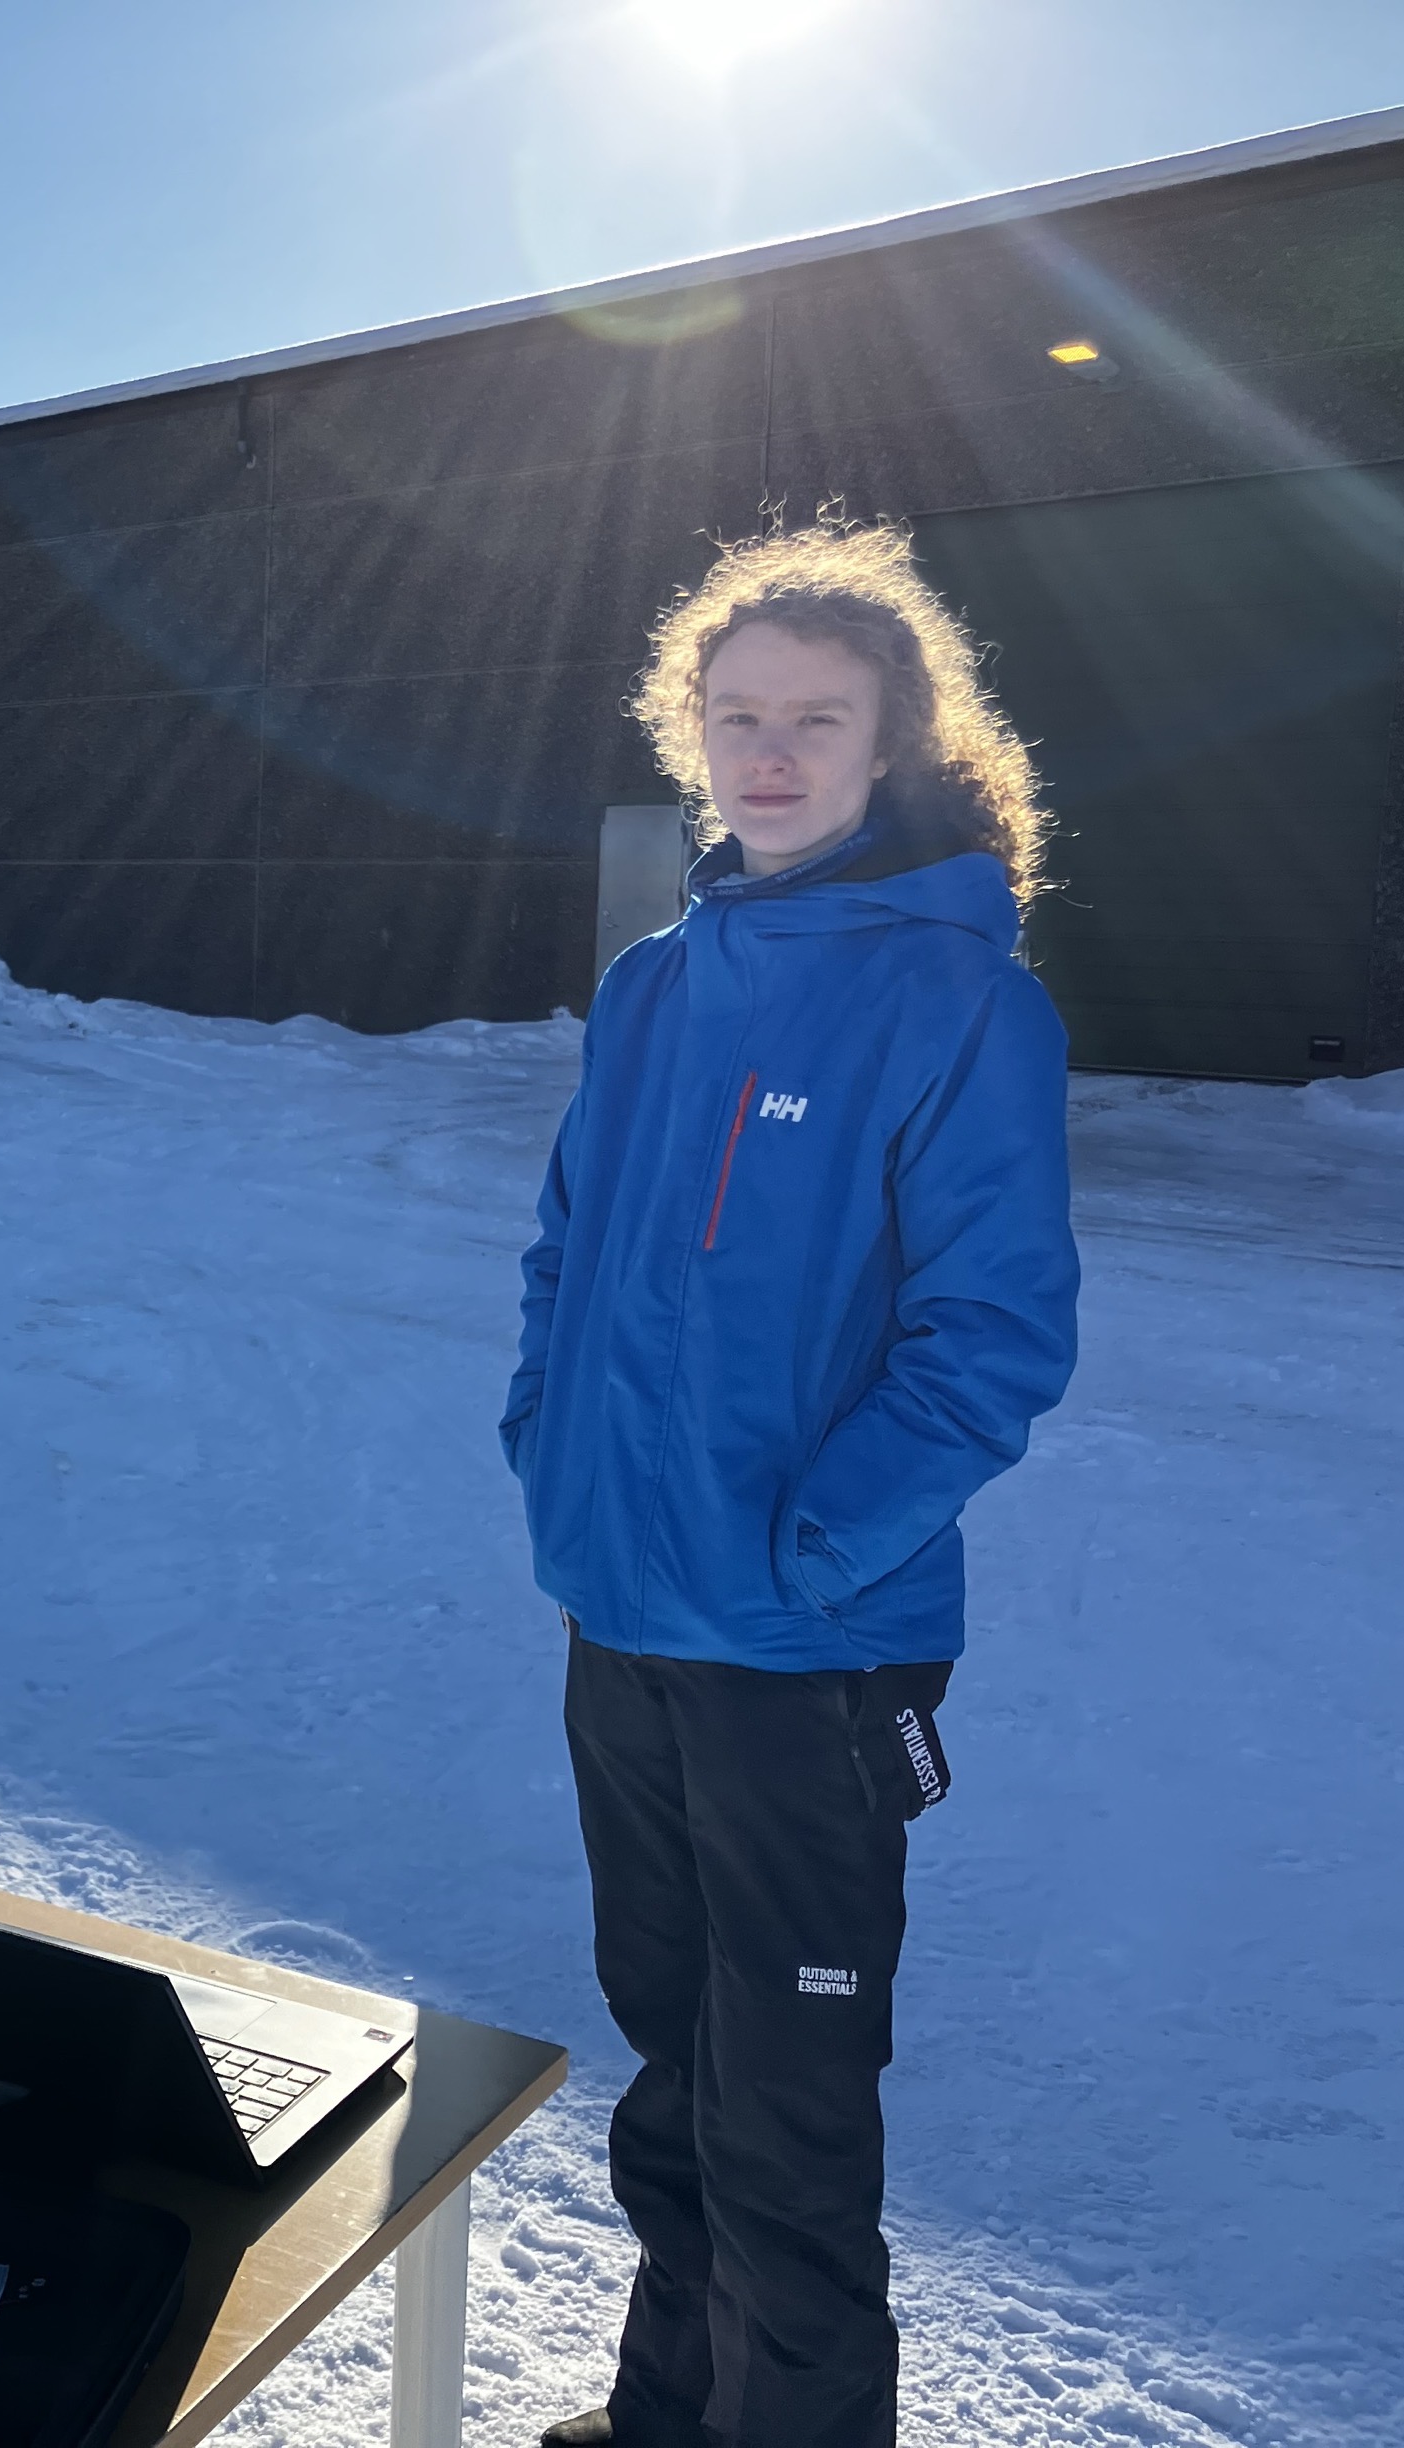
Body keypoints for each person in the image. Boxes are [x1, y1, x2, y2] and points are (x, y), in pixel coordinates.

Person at [506, 523, 1080, 2448]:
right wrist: (548, 1448)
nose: (766, 753)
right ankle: (665, 2409)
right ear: (688, 732)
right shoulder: (656, 984)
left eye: (810, 721)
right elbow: (561, 1249)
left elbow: (989, 1338)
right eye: (733, 714)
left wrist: (809, 1546)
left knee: (790, 2122)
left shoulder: (956, 1001)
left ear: (887, 738)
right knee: (674, 2070)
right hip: (623, 1624)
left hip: (808, 1658)